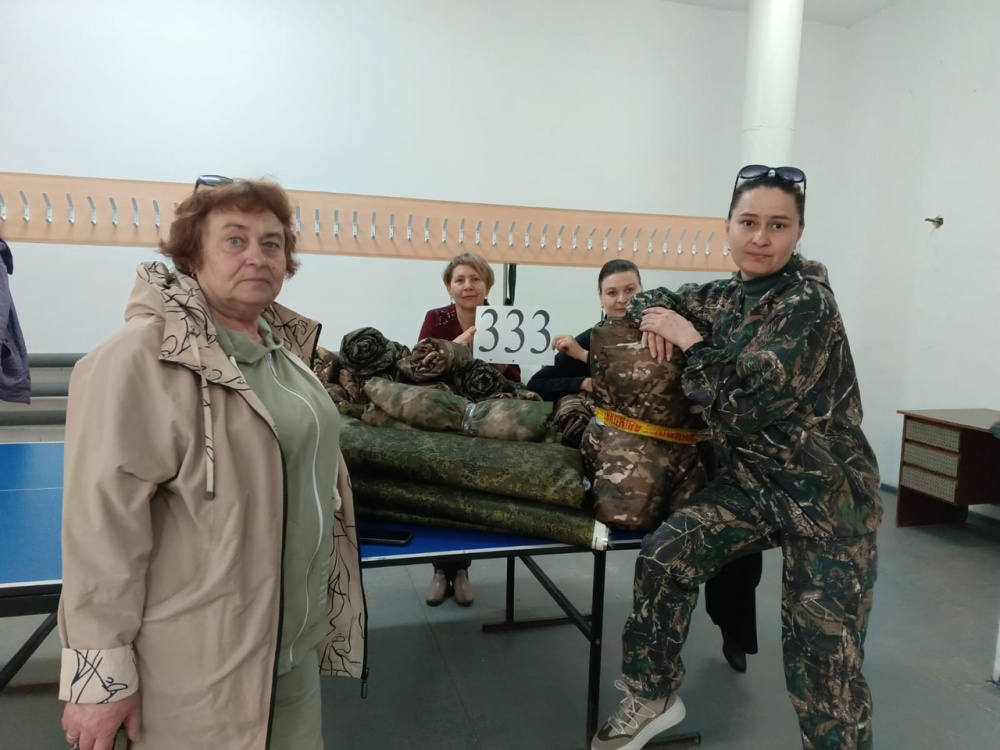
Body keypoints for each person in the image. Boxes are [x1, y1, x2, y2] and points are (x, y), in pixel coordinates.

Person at [58, 177, 366, 750]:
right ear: (192, 256)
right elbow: (101, 530)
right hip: (197, 670)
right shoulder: (139, 358)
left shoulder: (286, 358)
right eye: (234, 240)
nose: (257, 256)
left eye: (272, 243)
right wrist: (99, 682)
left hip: (291, 656)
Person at [592, 165, 882, 750]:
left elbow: (745, 401)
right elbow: (654, 297)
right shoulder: (724, 295)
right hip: (752, 486)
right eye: (748, 222)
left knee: (823, 668)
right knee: (665, 556)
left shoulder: (807, 304)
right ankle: (651, 695)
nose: (761, 238)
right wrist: (656, 317)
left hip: (826, 500)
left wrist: (690, 339)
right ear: (726, 226)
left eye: (778, 225)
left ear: (799, 232)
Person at [532, 259, 763, 672]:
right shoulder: (596, 338)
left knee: (732, 549)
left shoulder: (677, 329)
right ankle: (653, 668)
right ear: (600, 298)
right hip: (631, 466)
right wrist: (584, 372)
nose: (622, 300)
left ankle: (734, 632)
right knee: (661, 554)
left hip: (694, 457)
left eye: (631, 290)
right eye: (612, 292)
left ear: (645, 292)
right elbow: (538, 383)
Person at [418, 252, 521, 606]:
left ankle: (462, 569)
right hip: (444, 411)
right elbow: (420, 367)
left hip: (487, 413)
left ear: (487, 285)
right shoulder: (436, 318)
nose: (468, 286)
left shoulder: (505, 320)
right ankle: (440, 570)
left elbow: (514, 377)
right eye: (460, 279)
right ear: (449, 287)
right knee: (441, 487)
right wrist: (455, 347)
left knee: (470, 490)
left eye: (475, 279)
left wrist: (501, 366)